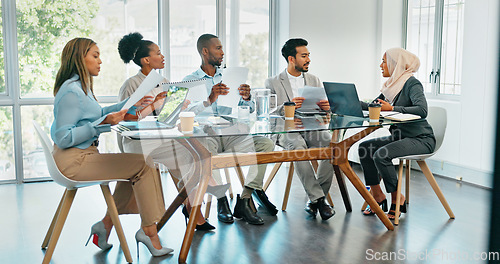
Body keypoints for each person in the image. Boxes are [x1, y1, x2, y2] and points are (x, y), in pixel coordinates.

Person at [51, 37, 172, 256]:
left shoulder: (80, 88)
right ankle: (150, 232)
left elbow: (96, 115)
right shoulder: (72, 92)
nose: (100, 61)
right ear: (80, 58)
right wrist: (100, 125)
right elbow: (62, 137)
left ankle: (105, 226)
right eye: (95, 56)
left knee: (134, 168)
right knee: (144, 164)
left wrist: (128, 106)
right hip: (74, 161)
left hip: (83, 155)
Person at [117, 32, 216, 231]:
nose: (163, 57)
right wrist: (154, 104)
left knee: (186, 154)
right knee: (182, 154)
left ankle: (191, 205)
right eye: (158, 53)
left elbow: (165, 116)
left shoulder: (162, 80)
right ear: (146, 60)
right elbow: (126, 119)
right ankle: (191, 205)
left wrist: (180, 105)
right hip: (136, 141)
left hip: (157, 137)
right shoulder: (131, 84)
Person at [183, 33, 277, 225]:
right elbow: (186, 112)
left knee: (265, 144)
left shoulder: (229, 77)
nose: (222, 52)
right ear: (205, 51)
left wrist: (247, 98)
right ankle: (221, 201)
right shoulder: (191, 80)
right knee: (206, 153)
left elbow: (248, 110)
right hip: (207, 135)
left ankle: (245, 198)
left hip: (232, 132)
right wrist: (209, 100)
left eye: (222, 48)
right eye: (218, 48)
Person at [358, 48, 435, 219]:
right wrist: (344, 101)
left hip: (421, 138)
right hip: (400, 137)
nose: (381, 65)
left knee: (381, 155)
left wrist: (392, 108)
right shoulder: (391, 86)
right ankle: (377, 196)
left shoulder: (411, 84)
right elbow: (374, 105)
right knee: (365, 148)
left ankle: (397, 198)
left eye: (384, 61)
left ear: (395, 64)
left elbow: (422, 110)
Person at [265, 38, 335, 220]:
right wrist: (287, 107)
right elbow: (268, 111)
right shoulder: (272, 82)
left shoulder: (314, 79)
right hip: (286, 128)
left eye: (308, 55)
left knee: (331, 146)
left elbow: (323, 110)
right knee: (298, 149)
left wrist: (327, 108)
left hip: (312, 126)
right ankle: (320, 200)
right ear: (291, 59)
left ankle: (315, 199)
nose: (308, 60)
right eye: (303, 56)